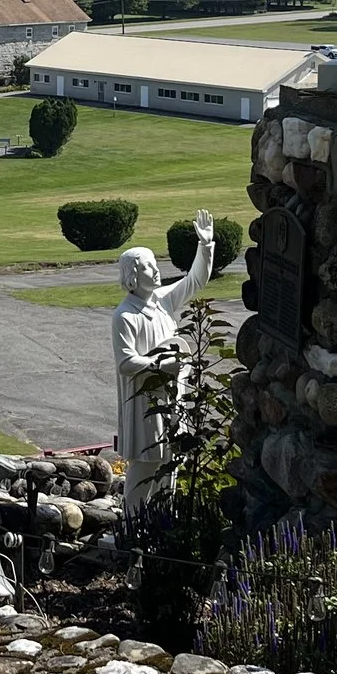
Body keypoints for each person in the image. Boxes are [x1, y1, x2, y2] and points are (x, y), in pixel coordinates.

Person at [112, 209, 216, 512]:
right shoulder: (125, 316)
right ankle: (131, 524)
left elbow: (195, 280)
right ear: (133, 275)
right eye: (148, 267)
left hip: (173, 397)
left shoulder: (163, 301)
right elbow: (125, 363)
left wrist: (205, 246)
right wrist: (159, 366)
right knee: (147, 463)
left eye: (155, 264)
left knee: (172, 460)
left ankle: (161, 522)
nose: (156, 271)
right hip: (144, 403)